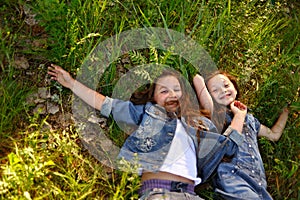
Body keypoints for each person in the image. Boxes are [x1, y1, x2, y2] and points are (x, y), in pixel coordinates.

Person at [48, 64, 247, 200]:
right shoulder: (147, 114)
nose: (171, 94)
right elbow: (106, 104)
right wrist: (71, 83)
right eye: (164, 91)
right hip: (159, 193)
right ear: (154, 99)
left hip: (192, 195)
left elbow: (226, 146)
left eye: (176, 89)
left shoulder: (198, 124)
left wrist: (239, 115)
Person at [193, 71, 289, 200]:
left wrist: (286, 112)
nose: (223, 90)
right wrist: (198, 74)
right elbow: (199, 84)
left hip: (258, 182)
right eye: (215, 90)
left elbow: (273, 135)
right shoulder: (216, 114)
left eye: (226, 85)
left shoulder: (250, 119)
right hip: (232, 176)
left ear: (235, 89)